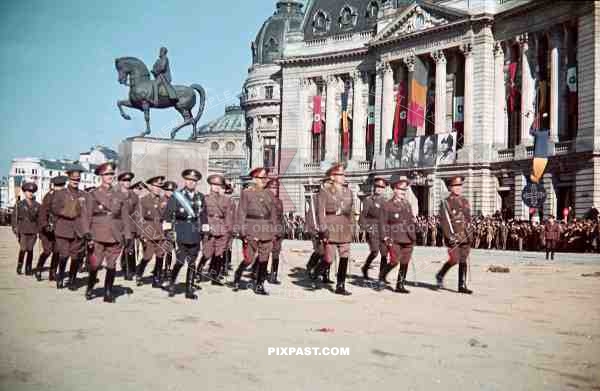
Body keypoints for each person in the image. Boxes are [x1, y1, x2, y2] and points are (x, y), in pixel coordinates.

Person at [84, 162, 133, 302]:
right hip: (98, 234)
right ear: (101, 176)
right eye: (107, 174)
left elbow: (125, 217)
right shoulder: (93, 194)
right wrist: (87, 232)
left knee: (111, 264)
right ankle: (90, 286)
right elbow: (86, 215)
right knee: (95, 264)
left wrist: (128, 235)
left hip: (115, 235)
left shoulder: (119, 195)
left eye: (112, 174)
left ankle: (108, 292)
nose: (110, 176)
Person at [233, 167, 278, 295]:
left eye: (266, 178)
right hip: (251, 228)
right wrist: (242, 232)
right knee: (249, 259)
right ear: (254, 179)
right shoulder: (247, 193)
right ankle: (238, 274)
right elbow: (241, 212)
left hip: (267, 229)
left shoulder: (269, 194)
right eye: (262, 178)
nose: (265, 180)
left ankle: (259, 284)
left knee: (264, 259)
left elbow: (274, 214)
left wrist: (275, 230)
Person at [164, 169, 207, 299]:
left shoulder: (200, 197)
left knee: (192, 262)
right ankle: (172, 282)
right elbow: (168, 215)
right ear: (185, 181)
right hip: (181, 230)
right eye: (189, 180)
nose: (191, 183)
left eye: (194, 181)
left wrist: (205, 230)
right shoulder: (177, 196)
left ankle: (189, 289)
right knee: (181, 260)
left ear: (197, 182)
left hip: (195, 232)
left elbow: (203, 215)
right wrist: (168, 232)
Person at [312, 163, 354, 295]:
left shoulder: (349, 191)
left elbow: (351, 211)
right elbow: (320, 212)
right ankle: (316, 271)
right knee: (329, 259)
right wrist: (323, 228)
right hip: (331, 226)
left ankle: (340, 285)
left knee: (345, 255)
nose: (343, 177)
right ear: (333, 176)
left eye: (343, 174)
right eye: (340, 175)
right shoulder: (325, 192)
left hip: (344, 226)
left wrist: (353, 226)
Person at [50, 168, 90, 290]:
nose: (75, 181)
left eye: (77, 179)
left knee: (76, 256)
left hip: (78, 231)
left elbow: (87, 213)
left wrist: (87, 230)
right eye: (73, 179)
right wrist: (69, 211)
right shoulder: (61, 193)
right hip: (63, 229)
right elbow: (55, 208)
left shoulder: (84, 195)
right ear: (68, 179)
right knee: (64, 254)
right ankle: (61, 276)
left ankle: (72, 280)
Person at [378, 175, 417, 292]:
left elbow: (410, 220)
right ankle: (382, 274)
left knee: (405, 261)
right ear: (394, 189)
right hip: (394, 237)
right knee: (395, 260)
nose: (403, 192)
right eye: (400, 189)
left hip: (408, 237)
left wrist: (413, 234)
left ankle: (400, 285)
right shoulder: (387, 205)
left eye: (404, 190)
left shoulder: (407, 204)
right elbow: (382, 222)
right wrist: (385, 237)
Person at [435, 175, 473, 294]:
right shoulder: (445, 203)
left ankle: (462, 285)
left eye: (460, 185)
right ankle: (440, 274)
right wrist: (449, 236)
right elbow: (444, 222)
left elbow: (467, 218)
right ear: (450, 187)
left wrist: (470, 230)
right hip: (453, 236)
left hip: (465, 235)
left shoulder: (465, 201)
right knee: (455, 259)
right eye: (455, 186)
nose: (458, 188)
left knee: (463, 259)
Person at [199, 174, 232, 286]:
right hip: (209, 226)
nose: (216, 187)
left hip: (222, 228)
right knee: (207, 253)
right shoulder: (205, 198)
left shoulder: (226, 200)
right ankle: (198, 271)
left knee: (219, 254)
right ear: (210, 185)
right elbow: (202, 214)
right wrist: (203, 228)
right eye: (214, 185)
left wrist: (229, 230)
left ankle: (215, 277)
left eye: (219, 185)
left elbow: (228, 216)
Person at [135, 176, 168, 288]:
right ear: (150, 186)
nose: (158, 189)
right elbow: (140, 218)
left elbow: (166, 216)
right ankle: (139, 274)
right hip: (149, 231)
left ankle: (156, 279)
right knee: (147, 256)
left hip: (161, 231)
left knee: (160, 256)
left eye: (160, 187)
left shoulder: (164, 200)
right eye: (155, 186)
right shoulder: (144, 200)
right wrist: (142, 234)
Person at [34, 176, 67, 281]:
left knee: (57, 251)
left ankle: (52, 273)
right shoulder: (49, 196)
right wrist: (44, 226)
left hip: (60, 229)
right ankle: (39, 269)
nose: (60, 189)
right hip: (47, 229)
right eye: (58, 187)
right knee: (47, 251)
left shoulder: (66, 196)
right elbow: (43, 212)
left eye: (61, 187)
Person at [359, 176, 388, 280]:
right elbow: (363, 216)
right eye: (377, 186)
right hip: (373, 229)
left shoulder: (386, 201)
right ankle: (365, 268)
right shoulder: (368, 200)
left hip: (384, 230)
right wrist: (367, 228)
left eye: (381, 187)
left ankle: (382, 276)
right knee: (375, 251)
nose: (379, 189)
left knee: (384, 253)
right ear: (374, 187)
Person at [12, 182, 41, 276]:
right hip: (23, 229)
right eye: (28, 191)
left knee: (30, 249)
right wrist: (15, 228)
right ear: (24, 192)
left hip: (33, 230)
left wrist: (39, 230)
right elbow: (14, 217)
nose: (30, 193)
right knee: (23, 248)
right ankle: (19, 265)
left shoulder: (37, 205)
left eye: (32, 191)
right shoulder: (19, 204)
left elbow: (39, 219)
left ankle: (28, 267)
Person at [116, 171, 138, 281]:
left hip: (130, 226)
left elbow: (136, 212)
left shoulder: (133, 195)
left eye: (129, 180)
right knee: (117, 248)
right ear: (120, 182)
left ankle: (128, 271)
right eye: (125, 180)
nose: (127, 182)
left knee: (129, 249)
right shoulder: (115, 194)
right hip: (118, 226)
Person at [266, 177, 285, 284]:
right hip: (267, 231)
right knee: (265, 253)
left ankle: (273, 276)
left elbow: (281, 217)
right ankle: (260, 272)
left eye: (276, 188)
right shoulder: (264, 200)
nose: (274, 190)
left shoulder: (279, 202)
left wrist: (282, 231)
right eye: (272, 187)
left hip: (278, 232)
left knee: (276, 254)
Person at [161, 180, 178, 279]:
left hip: (173, 228)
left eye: (172, 190)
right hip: (163, 227)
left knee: (171, 249)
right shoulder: (160, 200)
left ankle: (168, 268)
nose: (170, 192)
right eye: (167, 190)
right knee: (163, 249)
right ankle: (161, 268)